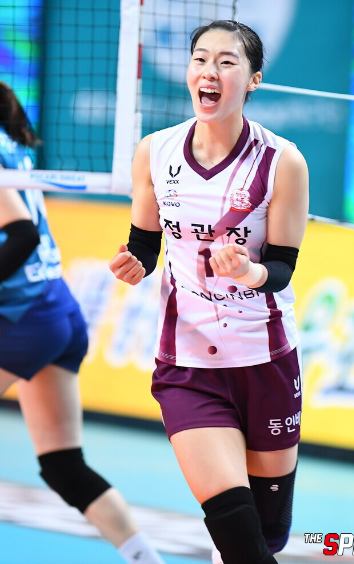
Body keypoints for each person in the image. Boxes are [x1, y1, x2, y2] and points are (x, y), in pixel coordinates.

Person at [110, 20, 309, 564]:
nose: (209, 71)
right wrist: (134, 264)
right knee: (238, 534)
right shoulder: (156, 151)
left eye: (226, 61)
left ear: (253, 79)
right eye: (200, 59)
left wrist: (249, 273)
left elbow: (283, 267)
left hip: (265, 358)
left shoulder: (282, 161)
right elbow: (144, 244)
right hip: (188, 364)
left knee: (269, 533)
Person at [0, 81, 164, 564]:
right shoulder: (8, 139)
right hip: (56, 310)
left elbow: (21, 234)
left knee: (65, 466)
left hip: (24, 320)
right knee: (63, 467)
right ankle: (146, 558)